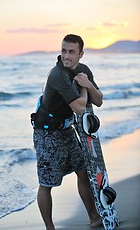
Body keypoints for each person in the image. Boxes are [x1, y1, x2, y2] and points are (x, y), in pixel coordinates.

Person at [32, 34, 103, 230]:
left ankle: (94, 217)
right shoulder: (58, 74)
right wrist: (84, 87)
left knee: (83, 171)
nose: (66, 56)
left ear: (81, 54)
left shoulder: (83, 71)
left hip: (67, 129)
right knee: (47, 183)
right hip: (47, 134)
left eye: (71, 52)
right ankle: (50, 228)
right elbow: (80, 107)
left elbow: (99, 100)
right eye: (64, 50)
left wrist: (86, 84)